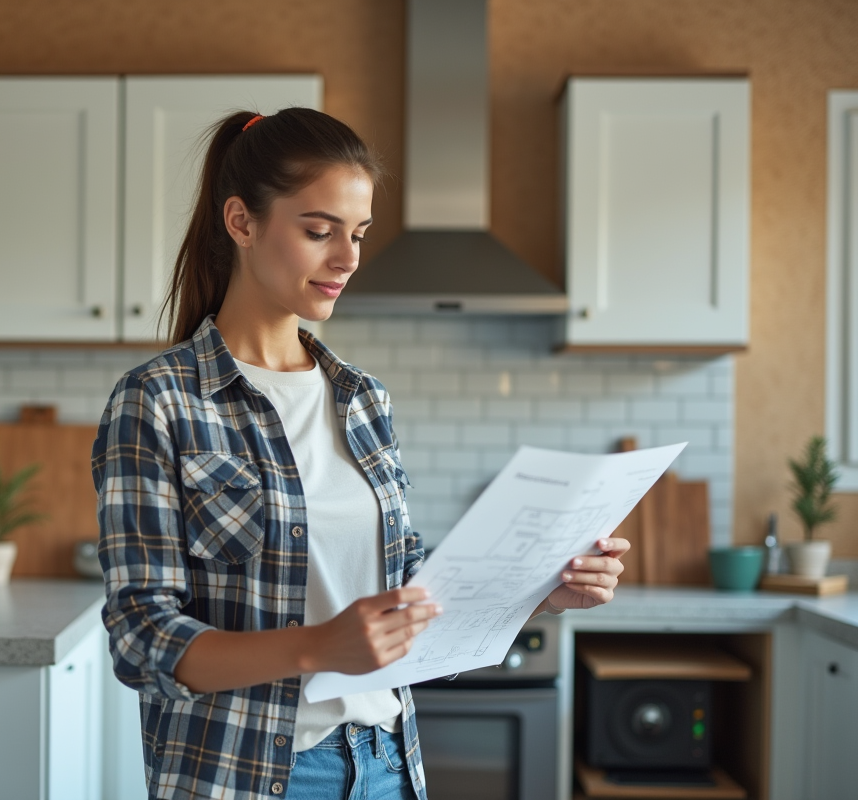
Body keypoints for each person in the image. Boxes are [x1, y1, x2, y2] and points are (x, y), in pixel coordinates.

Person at [92, 107, 629, 800]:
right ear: (242, 222)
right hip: (255, 777)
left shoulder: (363, 399)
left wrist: (539, 596)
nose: (347, 259)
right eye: (319, 231)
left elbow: (411, 607)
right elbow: (142, 638)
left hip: (388, 765)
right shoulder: (158, 401)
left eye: (359, 234)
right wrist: (315, 647)